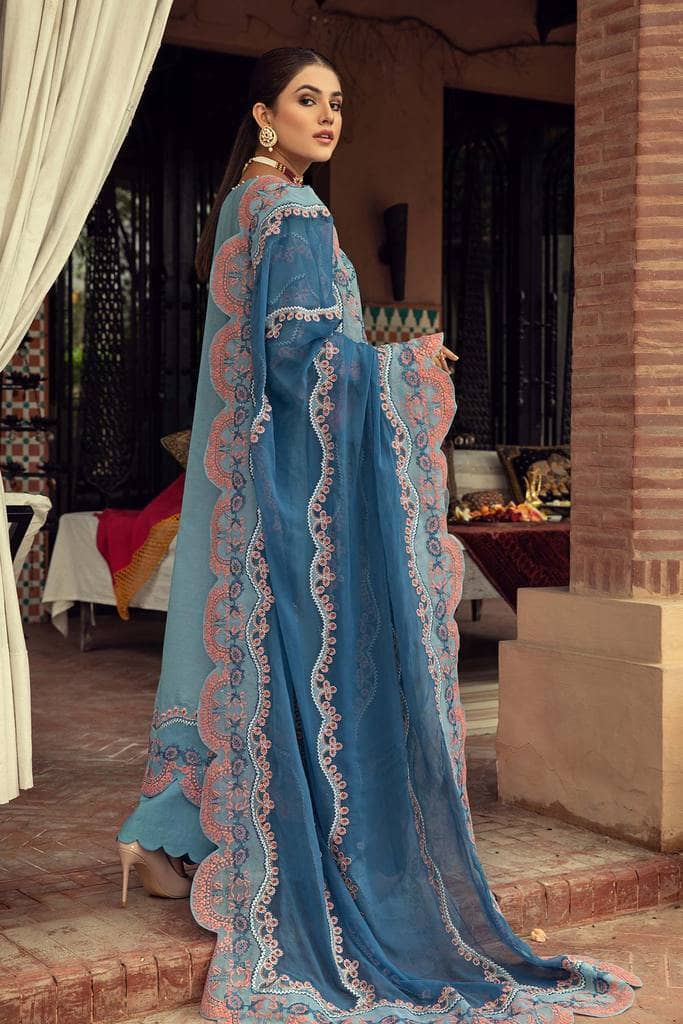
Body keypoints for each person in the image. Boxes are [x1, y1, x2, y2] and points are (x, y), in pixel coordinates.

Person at [117, 46, 641, 1024]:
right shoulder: (295, 213)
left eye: (337, 101)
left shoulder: (239, 207)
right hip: (291, 491)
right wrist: (408, 369)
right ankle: (250, 857)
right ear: (263, 114)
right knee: (302, 677)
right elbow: (302, 363)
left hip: (248, 483)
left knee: (237, 662)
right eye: (305, 99)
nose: (327, 116)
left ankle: (156, 839)